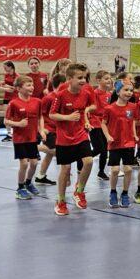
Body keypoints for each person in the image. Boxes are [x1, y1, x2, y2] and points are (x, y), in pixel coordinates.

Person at [48, 64, 95, 217]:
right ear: (69, 79)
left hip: (80, 133)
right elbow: (52, 115)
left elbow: (86, 109)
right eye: (79, 78)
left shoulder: (86, 92)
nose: (83, 81)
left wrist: (86, 120)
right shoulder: (60, 95)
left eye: (84, 77)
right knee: (66, 169)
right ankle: (61, 201)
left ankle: (79, 191)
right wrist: (67, 117)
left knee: (88, 162)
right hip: (64, 137)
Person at [102, 81, 137, 208]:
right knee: (115, 170)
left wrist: (134, 134)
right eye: (126, 90)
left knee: (128, 169)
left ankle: (125, 193)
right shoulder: (109, 108)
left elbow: (132, 121)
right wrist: (108, 136)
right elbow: (103, 123)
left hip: (129, 142)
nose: (129, 93)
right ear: (118, 92)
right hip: (114, 143)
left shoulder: (133, 107)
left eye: (131, 90)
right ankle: (112, 192)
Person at [5, 75, 41, 199]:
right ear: (19, 88)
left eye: (32, 85)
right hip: (19, 139)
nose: (32, 87)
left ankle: (28, 182)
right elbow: (6, 121)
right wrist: (18, 124)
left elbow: (40, 117)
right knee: (24, 164)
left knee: (34, 163)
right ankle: (20, 188)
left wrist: (42, 130)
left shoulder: (37, 101)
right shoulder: (13, 103)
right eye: (28, 85)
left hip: (32, 138)